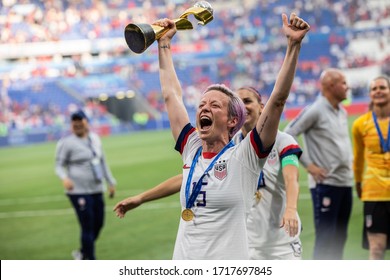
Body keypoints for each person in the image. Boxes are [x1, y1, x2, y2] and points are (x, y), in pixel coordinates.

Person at [116, 13, 309, 260]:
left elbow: (278, 100)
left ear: (232, 120)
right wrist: (164, 44)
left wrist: (293, 45)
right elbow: (172, 97)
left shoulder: (245, 156)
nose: (204, 108)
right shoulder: (192, 148)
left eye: (215, 105)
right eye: (202, 104)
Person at [114, 87, 304, 260]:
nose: (243, 106)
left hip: (280, 240)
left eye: (247, 101)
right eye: (239, 102)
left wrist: (291, 208)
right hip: (249, 242)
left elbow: (291, 177)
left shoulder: (282, 141)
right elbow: (191, 179)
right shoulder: (231, 145)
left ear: (262, 107)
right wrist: (141, 197)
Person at [284, 68, 353, 260]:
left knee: (340, 239)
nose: (347, 87)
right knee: (326, 240)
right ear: (331, 86)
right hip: (326, 184)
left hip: (344, 182)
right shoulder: (315, 110)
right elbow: (288, 133)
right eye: (344, 83)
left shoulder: (342, 111)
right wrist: (309, 165)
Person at [55, 109, 116, 260]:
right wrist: (64, 178)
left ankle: (82, 253)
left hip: (96, 188)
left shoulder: (95, 138)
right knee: (87, 226)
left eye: (80, 121)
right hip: (78, 191)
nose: (77, 124)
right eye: (74, 121)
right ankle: (90, 260)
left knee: (99, 224)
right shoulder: (66, 143)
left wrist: (111, 181)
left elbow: (102, 161)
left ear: (86, 122)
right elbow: (58, 165)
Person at [351, 76, 390, 260]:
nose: (378, 91)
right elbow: (358, 159)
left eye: (382, 87)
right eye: (374, 89)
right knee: (376, 249)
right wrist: (358, 182)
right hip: (374, 194)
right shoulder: (360, 124)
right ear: (370, 94)